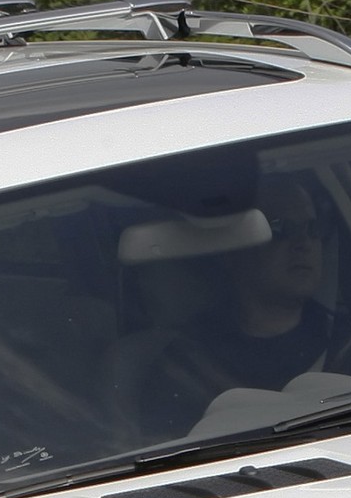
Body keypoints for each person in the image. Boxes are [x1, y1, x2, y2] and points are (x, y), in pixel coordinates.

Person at [132, 175, 337, 436]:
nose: (303, 243)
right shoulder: (185, 367)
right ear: (231, 251)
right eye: (278, 228)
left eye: (313, 228)